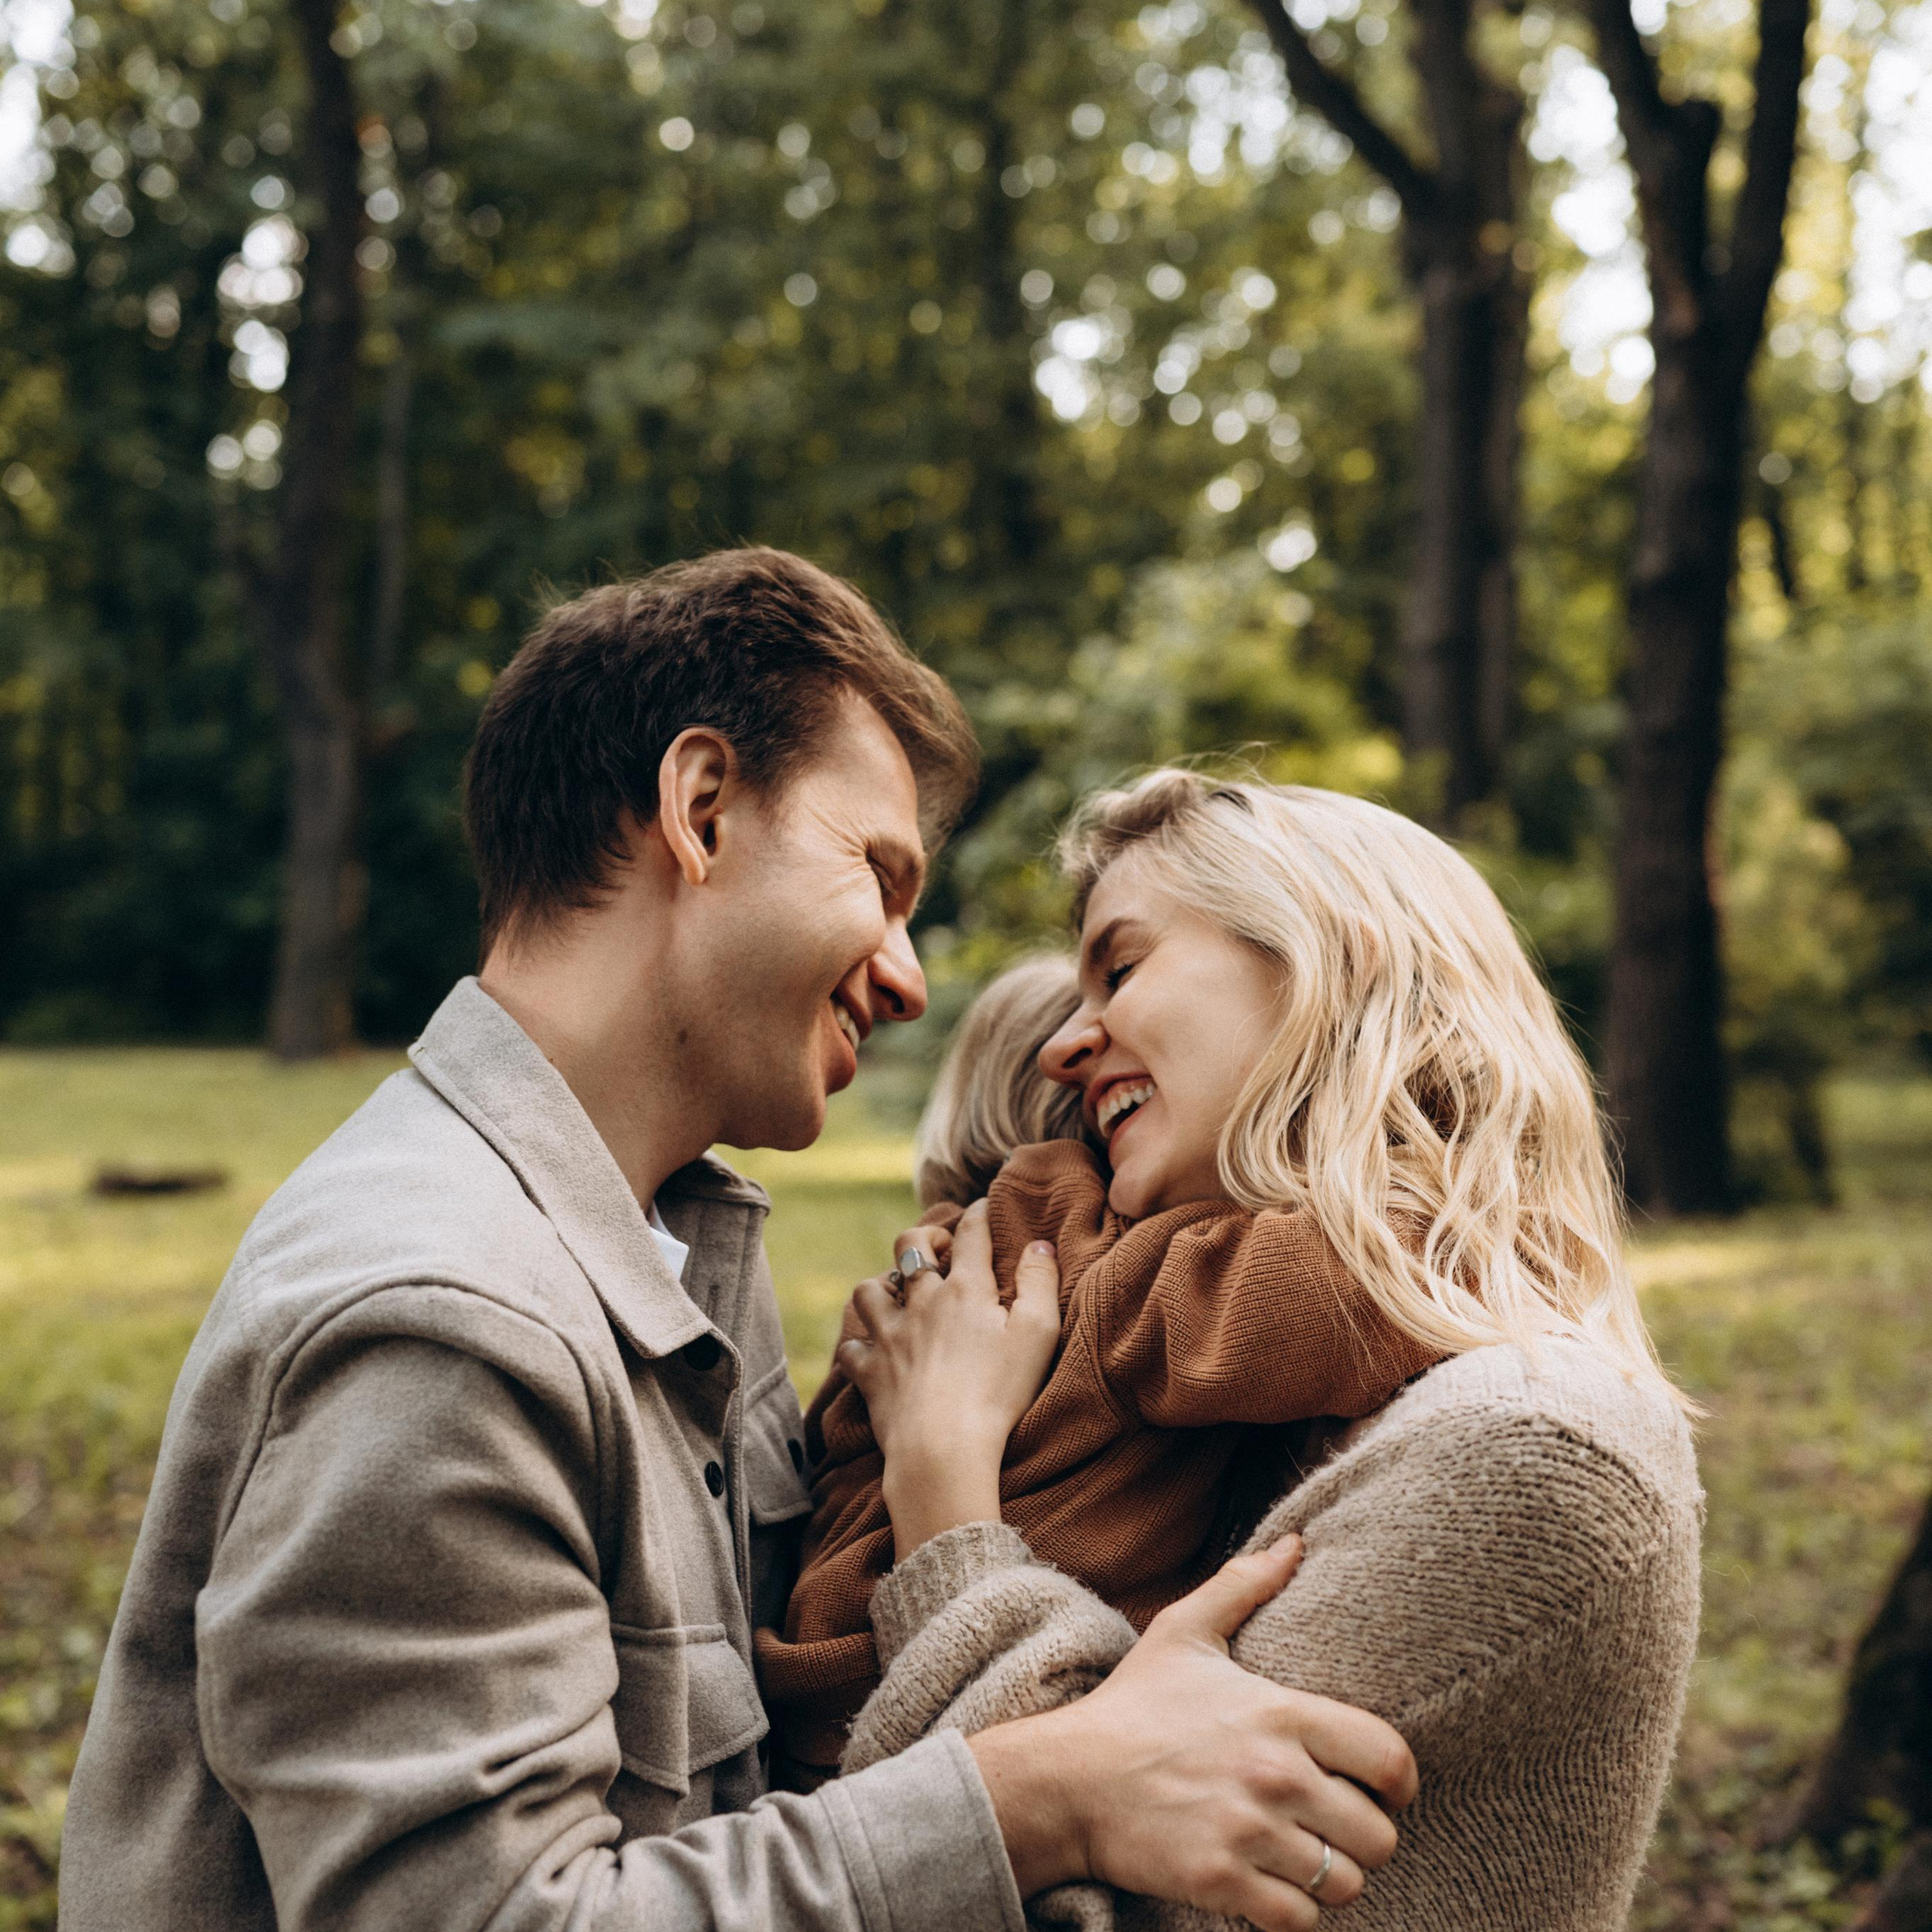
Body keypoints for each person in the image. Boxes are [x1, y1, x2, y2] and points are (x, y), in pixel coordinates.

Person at [59, 555, 1415, 1932]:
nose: (910, 978)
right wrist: (1047, 1791)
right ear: (699, 810)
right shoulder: (440, 1321)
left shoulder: (672, 1244)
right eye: (879, 876)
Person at [831, 770, 1704, 1932]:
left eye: (1120, 969)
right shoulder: (1133, 1277)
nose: (1061, 1049)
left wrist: (940, 1484)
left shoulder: (1528, 1447)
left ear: (1327, 959)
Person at [756, 955, 1441, 1787]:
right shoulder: (1078, 1254)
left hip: (819, 1715)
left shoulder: (924, 1281)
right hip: (951, 1701)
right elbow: (1363, 1290)